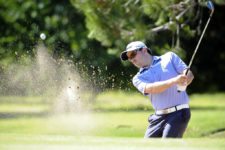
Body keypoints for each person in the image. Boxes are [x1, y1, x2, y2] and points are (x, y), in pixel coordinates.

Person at [120, 41, 194, 138]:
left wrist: (185, 80)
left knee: (168, 144)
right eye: (129, 57)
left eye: (133, 54)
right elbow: (151, 89)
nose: (131, 59)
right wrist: (174, 81)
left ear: (144, 50)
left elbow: (189, 74)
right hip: (158, 117)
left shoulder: (169, 57)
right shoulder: (138, 78)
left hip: (179, 113)